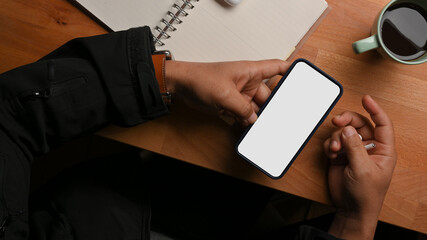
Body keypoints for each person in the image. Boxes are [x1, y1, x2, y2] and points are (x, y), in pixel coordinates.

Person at [0, 27, 396, 240]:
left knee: (237, 181)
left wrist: (169, 77)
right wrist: (356, 221)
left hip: (115, 212)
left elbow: (9, 116)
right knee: (246, 185)